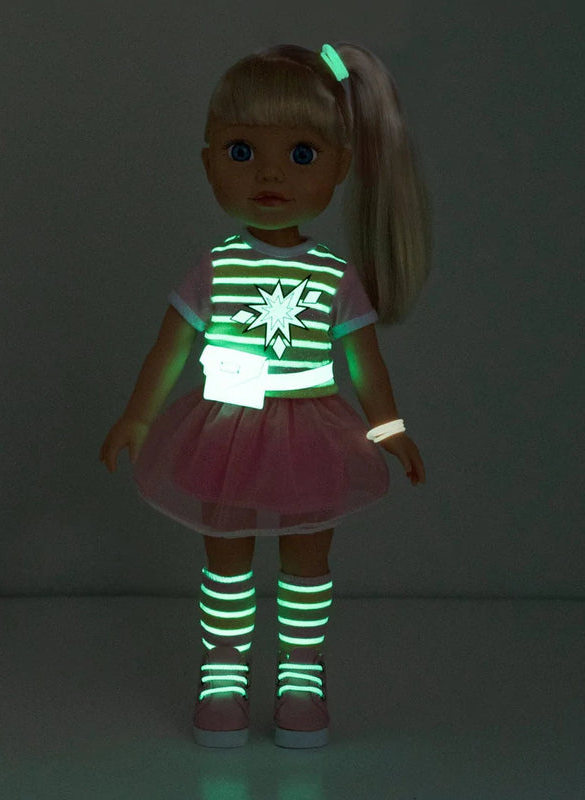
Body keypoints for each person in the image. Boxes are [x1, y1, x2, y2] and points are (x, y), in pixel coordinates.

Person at [100, 42, 431, 749]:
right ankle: (222, 679)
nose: (270, 173)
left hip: (313, 432)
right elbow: (170, 348)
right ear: (208, 162)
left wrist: (388, 426)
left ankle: (301, 680)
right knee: (227, 562)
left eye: (301, 154)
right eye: (242, 151)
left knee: (307, 566)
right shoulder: (216, 267)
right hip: (225, 427)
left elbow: (364, 361)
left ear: (340, 165)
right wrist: (138, 415)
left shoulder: (334, 275)